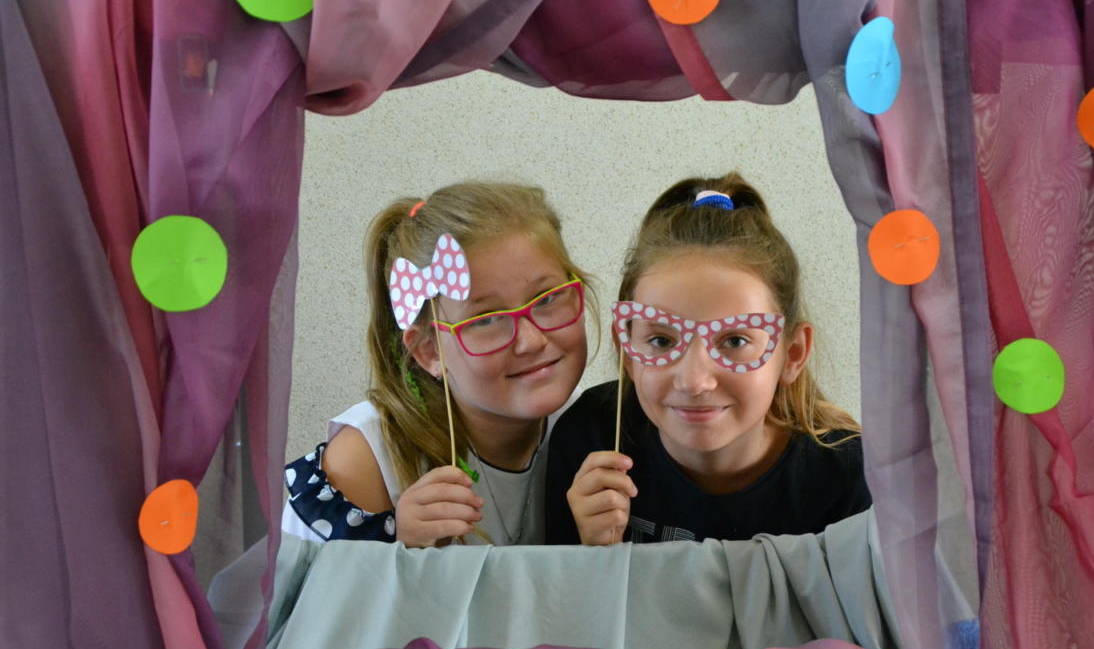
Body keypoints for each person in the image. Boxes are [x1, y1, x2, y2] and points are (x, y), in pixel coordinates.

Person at [544, 173, 869, 545]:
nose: (694, 381)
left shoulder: (849, 477)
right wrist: (591, 553)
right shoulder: (592, 437)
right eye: (662, 340)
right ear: (626, 350)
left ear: (792, 354)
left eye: (734, 340)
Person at [284, 181, 594, 547]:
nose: (532, 340)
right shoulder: (368, 460)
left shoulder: (591, 430)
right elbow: (298, 584)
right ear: (429, 351)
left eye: (546, 299)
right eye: (486, 320)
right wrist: (400, 551)